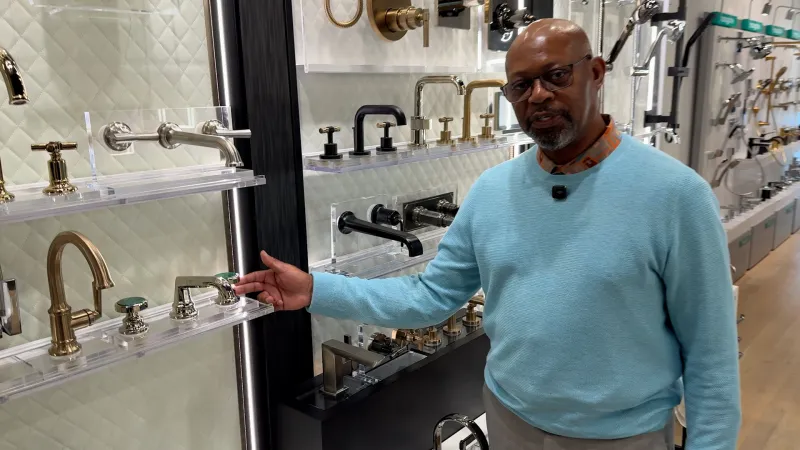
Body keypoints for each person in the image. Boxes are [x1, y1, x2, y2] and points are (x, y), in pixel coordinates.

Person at [235, 19, 741, 450]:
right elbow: (429, 297)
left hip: (622, 438)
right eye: (520, 86)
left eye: (556, 75)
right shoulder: (493, 190)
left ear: (595, 73)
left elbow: (711, 359)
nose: (538, 95)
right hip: (509, 424)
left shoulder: (675, 196)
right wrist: (315, 290)